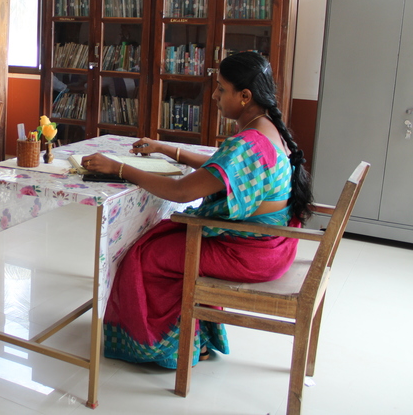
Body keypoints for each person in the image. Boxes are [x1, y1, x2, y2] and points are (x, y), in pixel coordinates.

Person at [81, 51, 313, 369]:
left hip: (250, 254)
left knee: (146, 255)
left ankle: (173, 347)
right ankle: (193, 335)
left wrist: (119, 168)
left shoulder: (249, 143)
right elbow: (223, 169)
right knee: (163, 238)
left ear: (245, 96)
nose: (214, 95)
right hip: (273, 245)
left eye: (221, 88)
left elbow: (181, 191)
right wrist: (168, 149)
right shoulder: (267, 129)